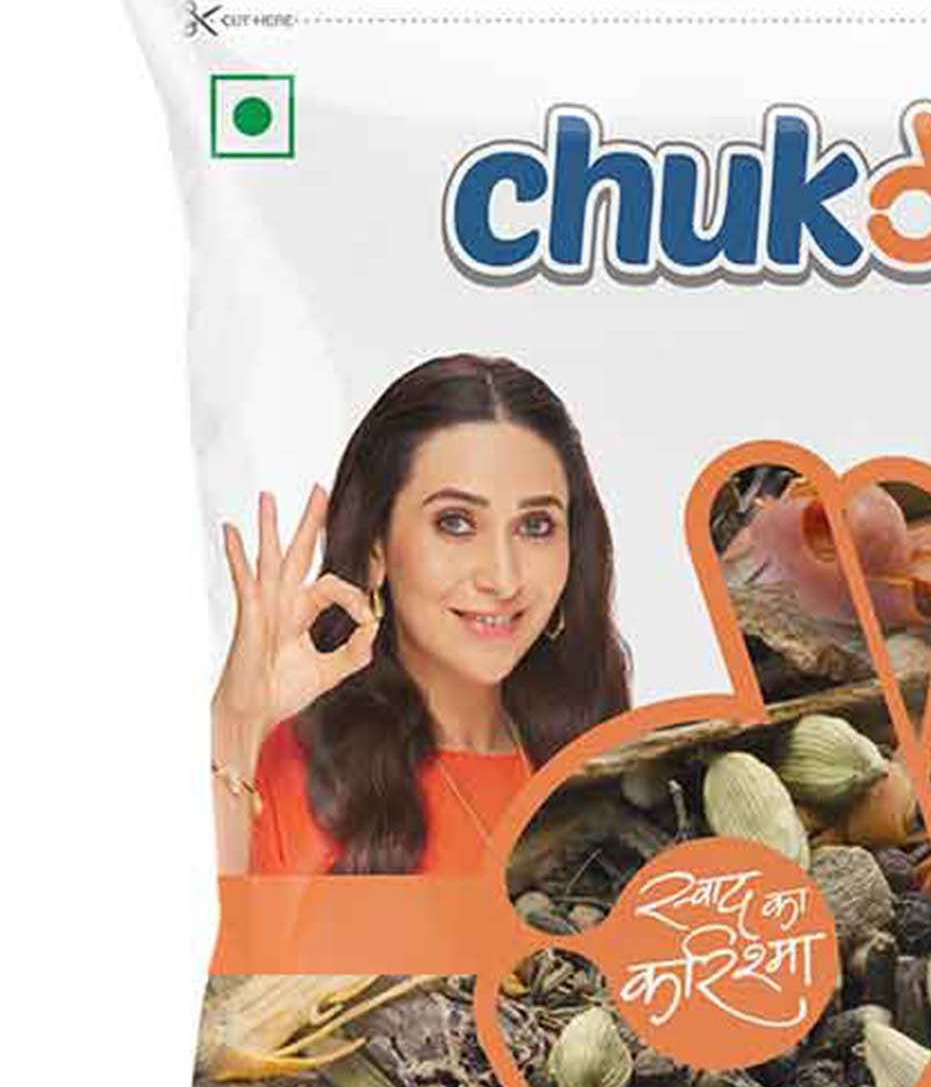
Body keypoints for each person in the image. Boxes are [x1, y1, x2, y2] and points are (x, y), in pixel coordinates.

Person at [209, 354, 630, 875]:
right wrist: (236, 724)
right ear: (377, 548)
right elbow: (199, 923)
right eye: (456, 523)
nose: (503, 578)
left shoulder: (612, 772)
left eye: (536, 526)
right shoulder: (290, 772)